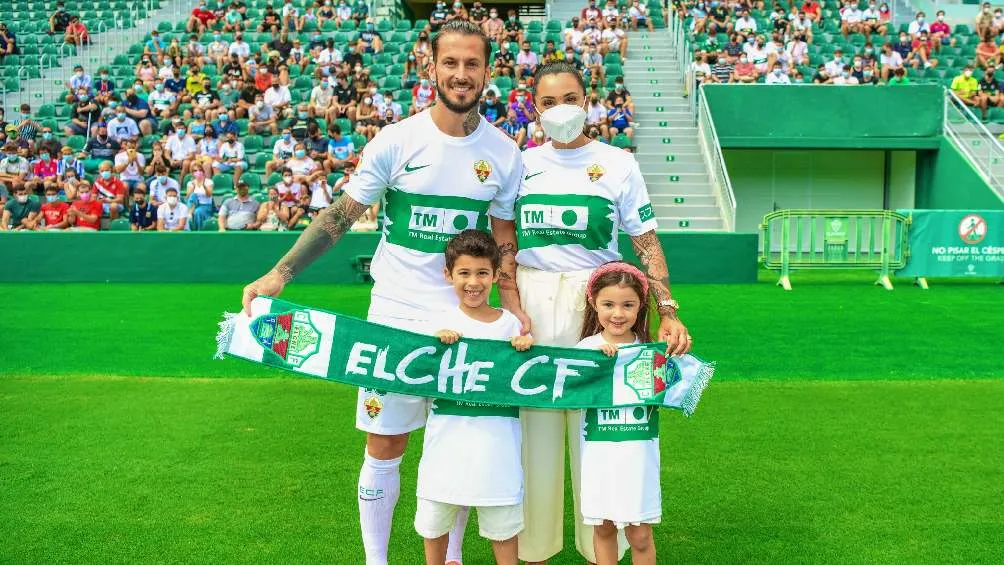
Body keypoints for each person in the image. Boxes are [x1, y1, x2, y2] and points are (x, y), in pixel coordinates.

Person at [240, 20, 528, 565]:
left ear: (488, 72)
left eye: (472, 64)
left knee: (460, 439)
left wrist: (510, 303)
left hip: (464, 320)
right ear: (431, 68)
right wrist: (280, 274)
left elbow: (504, 240)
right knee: (385, 445)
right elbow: (341, 216)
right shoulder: (397, 140)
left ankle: (453, 557)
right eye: (451, 63)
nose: (461, 74)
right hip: (394, 316)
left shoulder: (505, 154)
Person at [515, 61, 691, 565]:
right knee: (536, 427)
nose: (559, 110)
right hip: (533, 298)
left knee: (597, 427)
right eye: (548, 102)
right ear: (534, 106)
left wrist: (668, 309)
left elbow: (646, 242)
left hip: (595, 305)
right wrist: (509, 304)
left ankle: (601, 548)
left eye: (569, 98)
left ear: (587, 100)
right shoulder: (520, 163)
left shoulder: (618, 163)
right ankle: (534, 547)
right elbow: (504, 240)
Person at [417, 230, 533, 565]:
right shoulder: (439, 323)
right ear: (448, 275)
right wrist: (434, 344)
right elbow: (416, 365)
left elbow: (531, 372)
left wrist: (525, 347)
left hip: (497, 448)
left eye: (482, 273)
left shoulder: (510, 324)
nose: (474, 282)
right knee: (434, 521)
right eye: (464, 273)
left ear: (496, 275)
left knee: (503, 526)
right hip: (446, 444)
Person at [576, 262, 662, 565]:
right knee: (604, 528)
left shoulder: (651, 353)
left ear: (640, 307)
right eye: (608, 304)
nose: (618, 313)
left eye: (628, 305)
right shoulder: (585, 349)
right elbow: (569, 393)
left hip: (638, 458)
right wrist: (595, 364)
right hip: (599, 457)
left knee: (640, 535)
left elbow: (677, 390)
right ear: (593, 303)